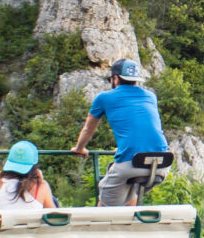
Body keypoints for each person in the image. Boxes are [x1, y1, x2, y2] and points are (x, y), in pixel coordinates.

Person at [71, 57, 168, 206]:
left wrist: (79, 148)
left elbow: (88, 129)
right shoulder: (151, 96)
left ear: (115, 78)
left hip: (132, 163)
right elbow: (145, 128)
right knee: (130, 193)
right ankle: (132, 225)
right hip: (162, 164)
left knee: (105, 208)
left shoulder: (104, 98)